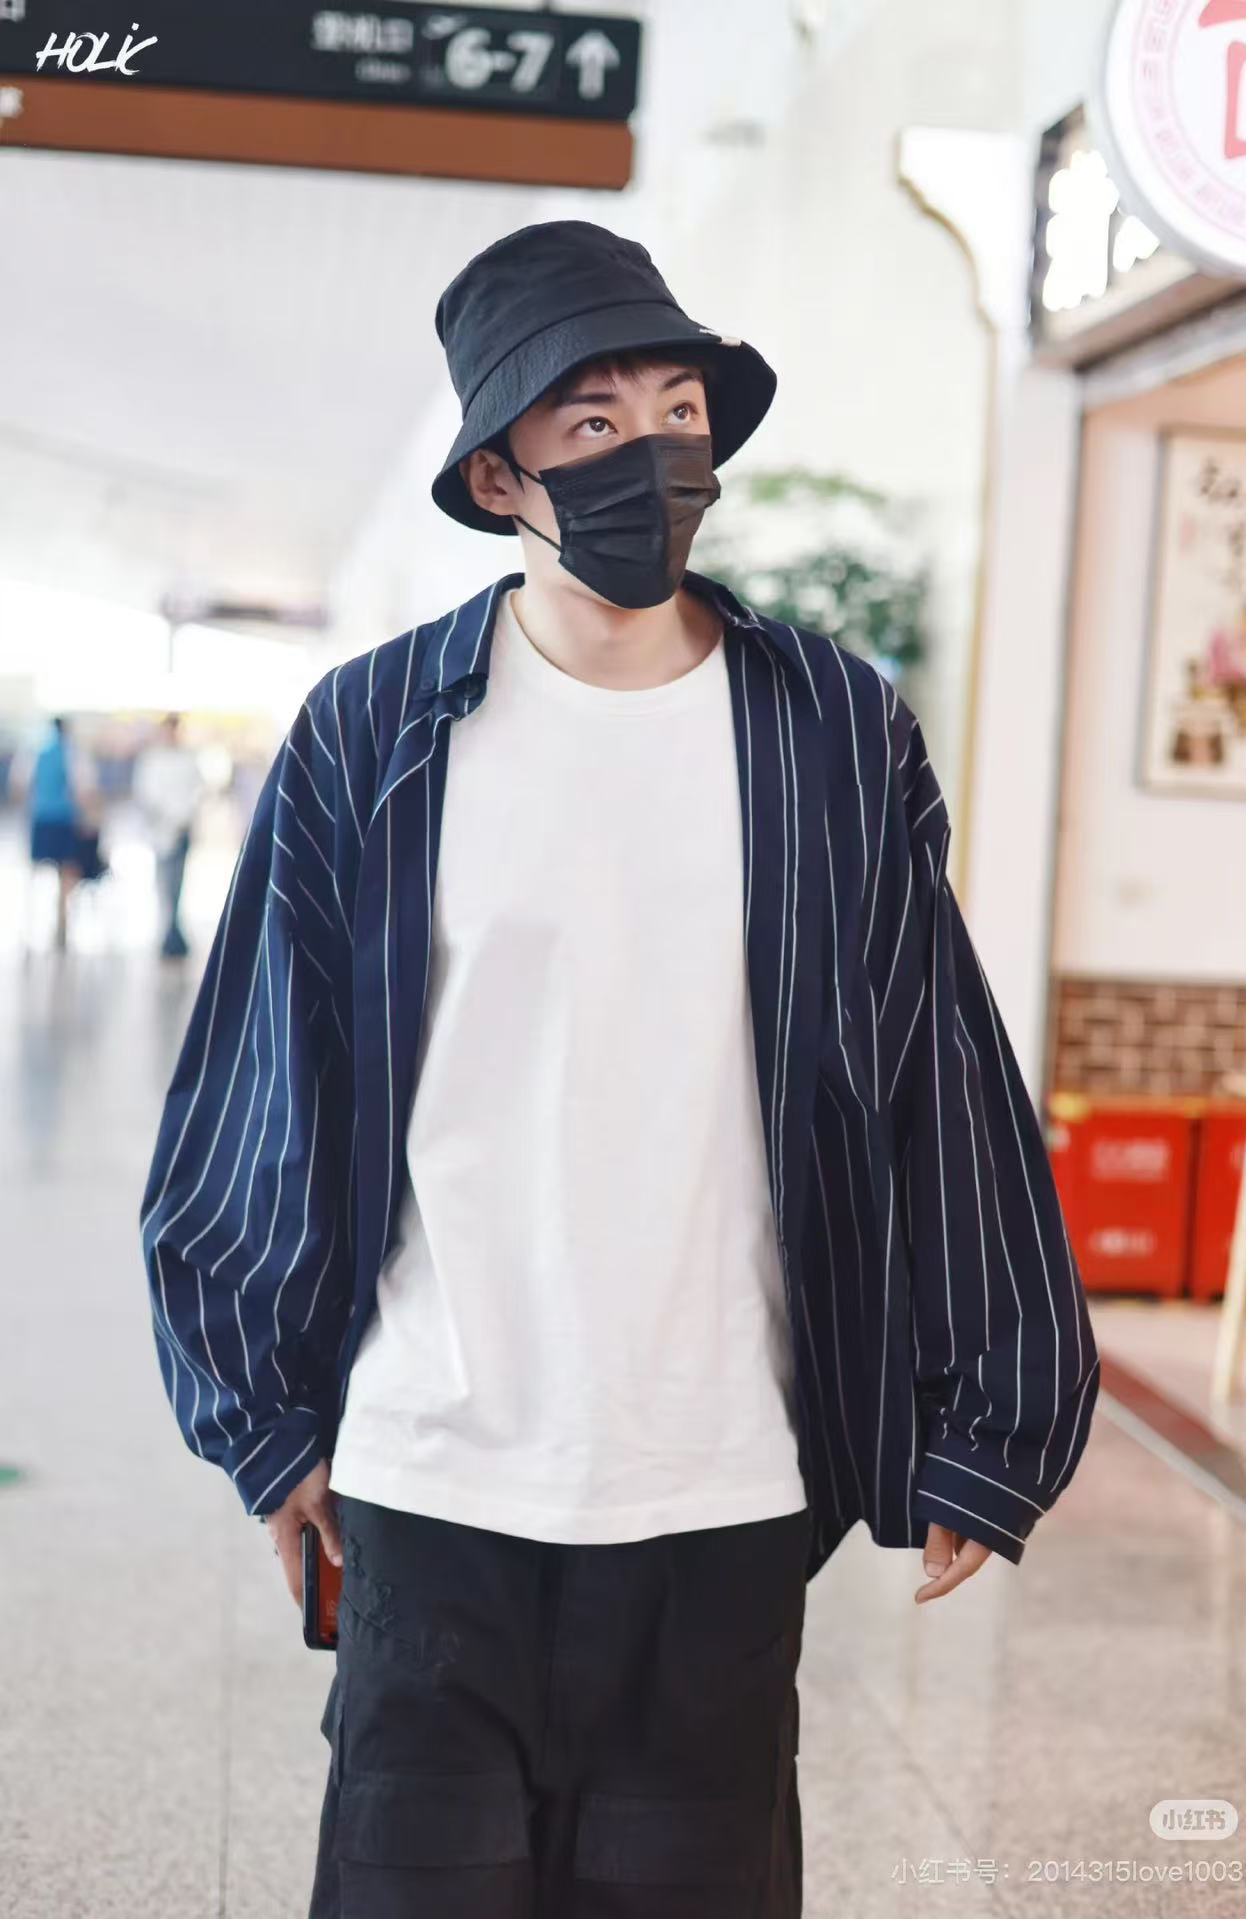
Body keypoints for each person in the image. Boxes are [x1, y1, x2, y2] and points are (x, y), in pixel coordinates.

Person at [139, 221, 1101, 1917]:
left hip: (722, 1482)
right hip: (433, 1480)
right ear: (497, 475)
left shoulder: (829, 728)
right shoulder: (374, 733)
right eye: (592, 421)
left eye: (678, 409)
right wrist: (266, 1422)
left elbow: (939, 1068)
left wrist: (993, 1416)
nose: (651, 452)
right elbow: (262, 1082)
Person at [16, 714, 104, 950]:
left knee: (36, 872)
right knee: (67, 872)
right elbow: (84, 790)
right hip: (65, 820)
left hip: (42, 819)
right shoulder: (73, 754)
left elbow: (20, 787)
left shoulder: (35, 753)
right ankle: (61, 924)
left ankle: (31, 924)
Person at [133, 711, 203, 957]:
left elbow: (196, 793)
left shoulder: (188, 759)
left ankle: (174, 931)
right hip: (161, 830)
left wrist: (183, 817)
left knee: (178, 881)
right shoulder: (152, 760)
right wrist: (165, 817)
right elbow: (146, 794)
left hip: (182, 829)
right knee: (164, 882)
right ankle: (169, 930)